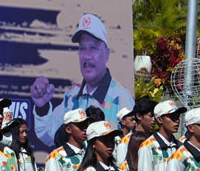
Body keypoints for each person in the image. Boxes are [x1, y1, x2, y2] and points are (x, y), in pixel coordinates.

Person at [31, 13, 134, 148]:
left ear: (107, 54)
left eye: (93, 48)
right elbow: (50, 135)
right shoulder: (72, 95)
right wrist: (42, 107)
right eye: (82, 48)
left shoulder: (120, 96)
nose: (86, 56)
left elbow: (131, 147)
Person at [114, 98, 156, 166]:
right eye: (151, 116)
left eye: (155, 116)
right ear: (139, 116)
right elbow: (122, 169)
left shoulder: (155, 140)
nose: (154, 119)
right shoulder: (125, 142)